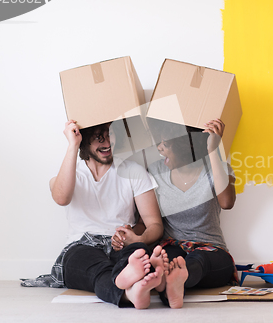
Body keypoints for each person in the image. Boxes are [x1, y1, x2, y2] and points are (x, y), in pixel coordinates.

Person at [22, 120, 167, 309]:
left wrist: (137, 238)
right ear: (84, 141)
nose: (107, 143)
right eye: (99, 138)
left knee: (139, 254)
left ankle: (133, 289)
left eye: (110, 135)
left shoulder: (134, 171)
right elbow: (61, 198)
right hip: (81, 246)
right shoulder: (71, 174)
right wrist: (73, 144)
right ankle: (130, 289)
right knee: (97, 270)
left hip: (121, 244)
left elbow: (155, 224)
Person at [113, 118, 237, 309]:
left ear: (185, 147)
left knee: (197, 261)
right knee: (164, 260)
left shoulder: (216, 168)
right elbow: (144, 222)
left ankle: (173, 279)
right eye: (159, 143)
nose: (160, 149)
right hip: (171, 246)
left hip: (210, 250)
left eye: (166, 144)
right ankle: (169, 284)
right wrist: (132, 235)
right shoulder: (155, 171)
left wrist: (213, 150)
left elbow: (227, 202)